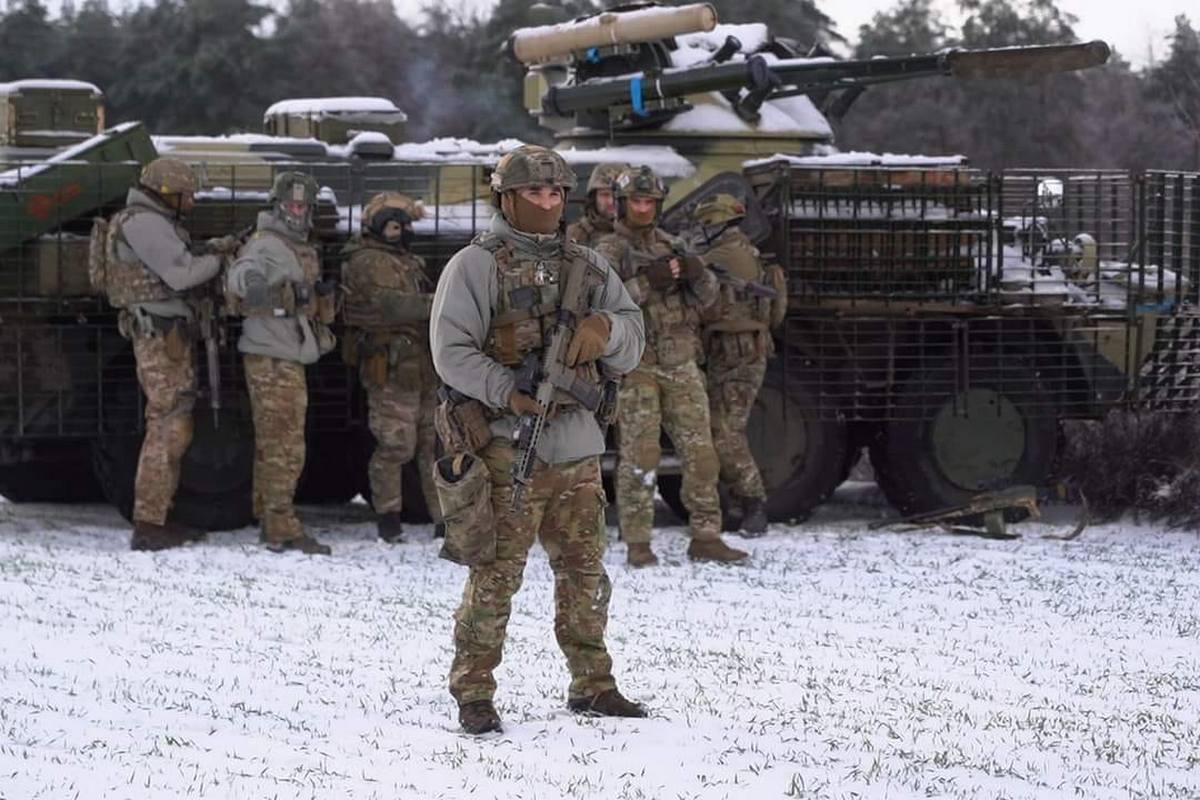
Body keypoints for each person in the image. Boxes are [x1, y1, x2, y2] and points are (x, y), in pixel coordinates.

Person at [430, 144, 647, 735]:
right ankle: (474, 691)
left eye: (555, 194)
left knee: (584, 573)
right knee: (496, 574)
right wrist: (507, 391)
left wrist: (606, 330)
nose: (547, 203)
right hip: (507, 446)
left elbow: (635, 331)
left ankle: (594, 684)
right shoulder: (475, 266)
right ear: (507, 197)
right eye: (534, 193)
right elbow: (451, 353)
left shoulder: (589, 264)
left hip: (577, 448)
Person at [595, 166, 749, 567]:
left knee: (702, 455)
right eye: (637, 202)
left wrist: (697, 274)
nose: (644, 209)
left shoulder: (674, 244)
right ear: (624, 205)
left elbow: (711, 304)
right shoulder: (608, 251)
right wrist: (648, 282)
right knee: (640, 456)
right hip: (637, 367)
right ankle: (638, 542)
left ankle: (706, 534)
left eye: (650, 202)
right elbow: (597, 307)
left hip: (681, 362)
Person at [99, 157, 231, 551]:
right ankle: (149, 523)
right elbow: (181, 274)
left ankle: (157, 517)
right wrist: (219, 259)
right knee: (168, 425)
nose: (191, 202)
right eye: (186, 195)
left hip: (163, 334)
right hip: (160, 337)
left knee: (171, 423)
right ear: (167, 192)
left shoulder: (145, 220)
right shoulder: (144, 221)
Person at [226, 171, 337, 555]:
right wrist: (270, 291)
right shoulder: (266, 244)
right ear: (277, 205)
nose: (297, 211)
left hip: (283, 353)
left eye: (303, 206)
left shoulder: (296, 244)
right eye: (291, 205)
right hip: (272, 358)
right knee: (285, 446)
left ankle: (270, 517)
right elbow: (241, 277)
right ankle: (281, 526)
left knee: (275, 442)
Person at [341, 192, 442, 542]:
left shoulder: (405, 261)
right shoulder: (367, 261)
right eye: (395, 225)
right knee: (395, 445)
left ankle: (442, 521)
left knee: (432, 445)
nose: (402, 231)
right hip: (392, 365)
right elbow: (391, 306)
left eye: (405, 225)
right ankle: (388, 517)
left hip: (421, 365)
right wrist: (439, 303)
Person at [693, 193, 787, 535]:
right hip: (728, 353)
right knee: (719, 429)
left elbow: (695, 274)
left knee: (726, 432)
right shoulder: (739, 250)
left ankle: (753, 503)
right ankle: (735, 502)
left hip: (740, 355)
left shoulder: (728, 254)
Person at [565, 162, 627, 247]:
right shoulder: (576, 234)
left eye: (617, 195)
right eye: (605, 195)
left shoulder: (642, 233)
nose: (611, 201)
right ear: (594, 198)